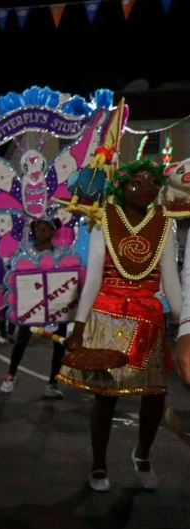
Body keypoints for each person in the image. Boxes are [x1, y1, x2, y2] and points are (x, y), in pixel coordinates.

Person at [58, 160, 182, 491]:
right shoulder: (104, 221)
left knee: (155, 395)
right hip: (106, 316)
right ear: (121, 187)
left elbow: (170, 280)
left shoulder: (165, 224)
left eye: (150, 183)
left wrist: (185, 325)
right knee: (106, 396)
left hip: (147, 320)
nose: (143, 189)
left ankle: (142, 454)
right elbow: (94, 278)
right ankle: (99, 464)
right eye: (135, 183)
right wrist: (79, 326)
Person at [0, 218, 69, 398]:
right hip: (31, 305)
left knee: (59, 344)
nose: (43, 231)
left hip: (56, 306)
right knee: (22, 341)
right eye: (39, 228)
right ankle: (10, 376)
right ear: (34, 231)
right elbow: (14, 272)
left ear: (54, 232)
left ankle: (52, 384)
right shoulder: (25, 253)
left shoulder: (63, 253)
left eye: (47, 228)